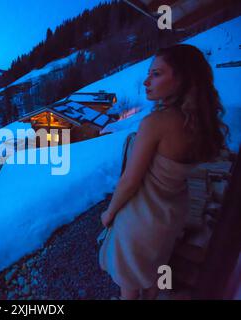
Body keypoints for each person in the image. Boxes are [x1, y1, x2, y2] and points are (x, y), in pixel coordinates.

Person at [98, 44, 230, 300]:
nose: (146, 81)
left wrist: (109, 213)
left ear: (182, 78)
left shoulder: (156, 123)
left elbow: (129, 181)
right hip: (171, 214)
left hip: (141, 219)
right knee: (154, 271)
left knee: (129, 282)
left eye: (157, 74)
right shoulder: (197, 123)